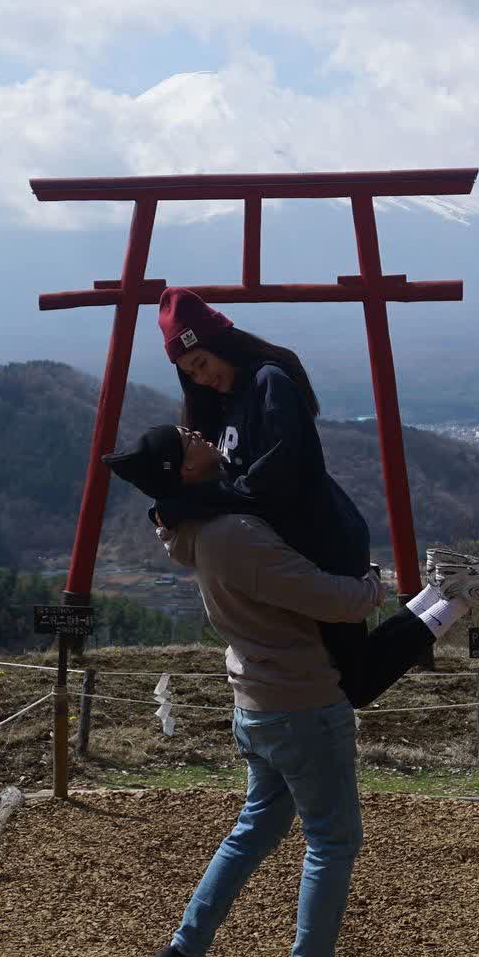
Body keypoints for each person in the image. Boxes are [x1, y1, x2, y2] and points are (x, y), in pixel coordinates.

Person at [103, 424, 479, 957]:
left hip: (257, 698)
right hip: (300, 704)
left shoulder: (189, 525)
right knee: (332, 842)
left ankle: (182, 956)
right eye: (187, 439)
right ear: (182, 470)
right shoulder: (234, 534)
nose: (198, 433)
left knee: (256, 828)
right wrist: (370, 580)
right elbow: (336, 601)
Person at [153, 286, 389, 691]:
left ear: (221, 343)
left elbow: (272, 482)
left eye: (203, 362)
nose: (203, 377)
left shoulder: (270, 384)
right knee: (344, 672)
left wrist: (192, 503)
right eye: (191, 372)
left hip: (323, 542)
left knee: (358, 678)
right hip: (285, 550)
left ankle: (440, 605)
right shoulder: (219, 403)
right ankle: (439, 603)